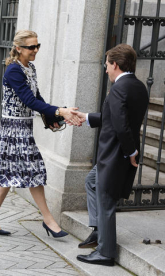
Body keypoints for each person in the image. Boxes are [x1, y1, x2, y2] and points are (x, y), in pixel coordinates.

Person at [0, 30, 82, 238]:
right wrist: (60, 110)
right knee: (34, 170)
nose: (35, 50)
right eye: (31, 47)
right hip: (13, 129)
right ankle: (49, 220)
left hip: (23, 127)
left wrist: (54, 118)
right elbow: (29, 100)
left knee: (9, 172)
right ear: (18, 48)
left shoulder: (31, 68)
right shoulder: (13, 71)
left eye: (38, 46)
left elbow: (38, 98)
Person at [66, 44, 148, 266]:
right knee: (92, 181)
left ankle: (105, 252)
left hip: (114, 153)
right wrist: (86, 116)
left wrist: (131, 152)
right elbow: (114, 117)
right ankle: (97, 229)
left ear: (116, 65)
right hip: (117, 152)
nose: (105, 69)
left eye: (107, 65)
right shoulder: (138, 86)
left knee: (106, 199)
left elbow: (121, 125)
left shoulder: (120, 88)